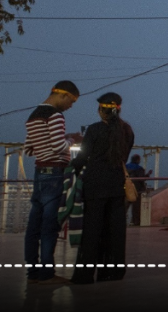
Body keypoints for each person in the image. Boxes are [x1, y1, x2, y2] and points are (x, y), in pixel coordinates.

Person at [71, 92, 135, 284]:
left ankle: (85, 275)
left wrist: (70, 170)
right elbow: (123, 156)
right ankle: (113, 272)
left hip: (95, 185)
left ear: (101, 110)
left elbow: (83, 157)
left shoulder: (94, 130)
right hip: (117, 185)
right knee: (115, 231)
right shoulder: (127, 131)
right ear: (119, 108)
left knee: (92, 230)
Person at [23, 81, 82, 284]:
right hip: (55, 173)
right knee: (50, 226)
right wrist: (72, 140)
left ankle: (32, 272)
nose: (70, 106)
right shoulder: (56, 115)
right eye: (72, 101)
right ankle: (47, 273)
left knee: (33, 228)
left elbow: (29, 149)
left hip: (39, 173)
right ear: (63, 95)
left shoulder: (33, 116)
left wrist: (57, 139)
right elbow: (58, 147)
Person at [124, 154, 148, 226]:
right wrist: (148, 175)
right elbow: (142, 179)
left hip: (126, 189)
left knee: (124, 207)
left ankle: (121, 221)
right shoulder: (139, 169)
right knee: (136, 208)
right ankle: (136, 222)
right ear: (137, 160)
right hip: (137, 190)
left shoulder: (125, 167)